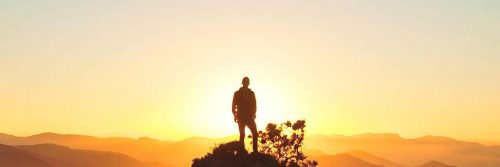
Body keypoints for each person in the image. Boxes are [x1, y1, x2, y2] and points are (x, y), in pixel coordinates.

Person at [232, 77, 258, 153]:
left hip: (249, 116)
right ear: (242, 83)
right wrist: (235, 115)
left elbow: (254, 104)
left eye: (247, 82)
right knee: (242, 134)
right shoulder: (237, 93)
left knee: (255, 133)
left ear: (248, 83)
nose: (246, 83)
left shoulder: (251, 93)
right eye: (245, 82)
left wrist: (254, 114)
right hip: (241, 116)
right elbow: (233, 106)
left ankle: (255, 150)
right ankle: (242, 151)